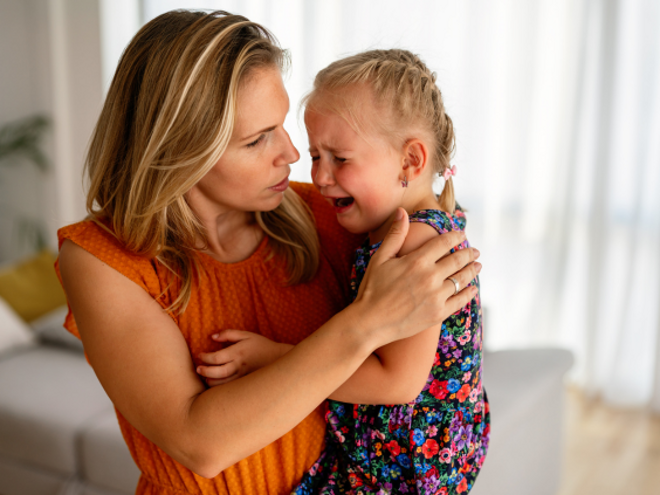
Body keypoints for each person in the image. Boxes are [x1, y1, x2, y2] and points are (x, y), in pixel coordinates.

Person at [56, 11, 481, 495]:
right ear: (181, 150)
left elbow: (422, 351)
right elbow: (201, 444)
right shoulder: (103, 260)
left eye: (281, 126)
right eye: (258, 139)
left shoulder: (333, 214)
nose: (292, 155)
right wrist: (365, 323)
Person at [199, 49, 490, 494]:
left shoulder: (415, 242)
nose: (319, 176)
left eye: (340, 158)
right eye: (316, 156)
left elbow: (397, 381)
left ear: (411, 162)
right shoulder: (395, 229)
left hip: (400, 472)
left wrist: (272, 357)